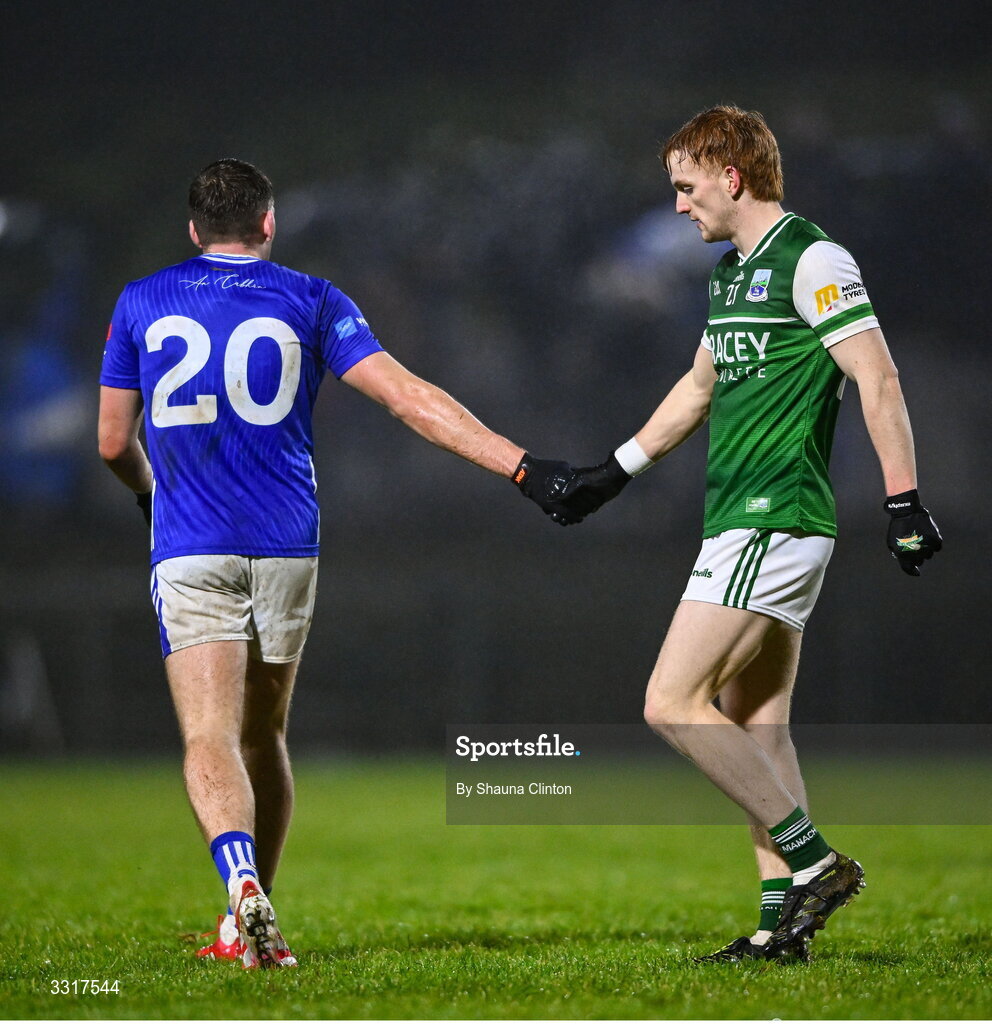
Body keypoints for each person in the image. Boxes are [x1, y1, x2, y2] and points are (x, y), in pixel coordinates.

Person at [97, 158, 581, 969]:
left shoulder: (142, 301)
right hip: (288, 545)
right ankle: (251, 920)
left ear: (192, 230)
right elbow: (408, 398)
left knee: (207, 733)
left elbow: (113, 440)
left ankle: (240, 886)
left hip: (192, 545)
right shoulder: (313, 299)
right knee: (265, 734)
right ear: (268, 224)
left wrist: (152, 495)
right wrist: (522, 467)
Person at [552, 106, 942, 962]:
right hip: (742, 519)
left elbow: (877, 378)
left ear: (733, 177)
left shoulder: (814, 258)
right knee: (756, 725)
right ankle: (779, 929)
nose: (681, 206)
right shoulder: (732, 277)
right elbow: (697, 389)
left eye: (687, 189)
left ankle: (816, 864)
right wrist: (611, 472)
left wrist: (903, 500)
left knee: (669, 703)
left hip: (774, 519)